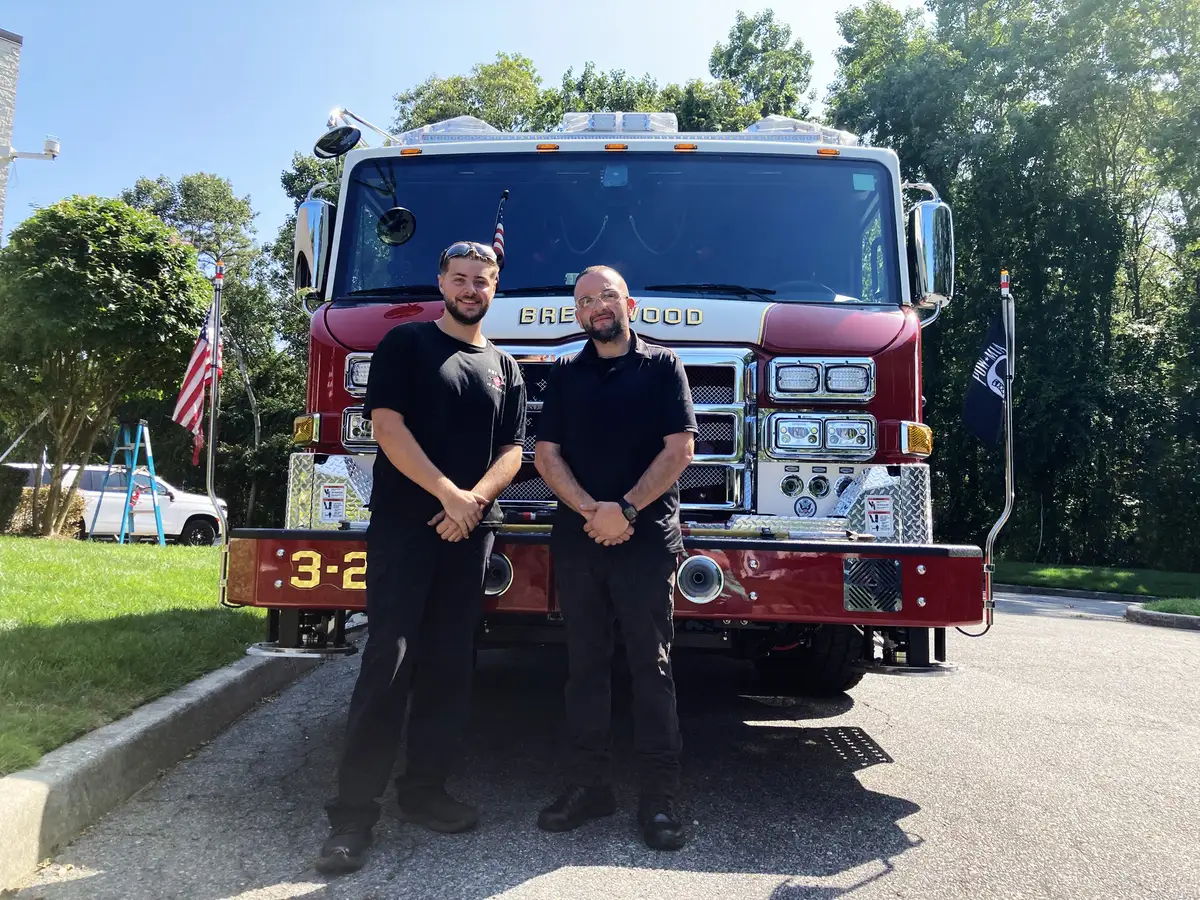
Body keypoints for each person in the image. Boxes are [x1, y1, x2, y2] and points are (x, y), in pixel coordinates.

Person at [317, 241, 526, 875]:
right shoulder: (405, 345)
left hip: (469, 535)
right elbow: (388, 428)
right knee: (390, 662)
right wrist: (449, 495)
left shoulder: (504, 367)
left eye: (482, 281)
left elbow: (515, 449)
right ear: (441, 282)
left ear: (495, 288)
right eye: (460, 279)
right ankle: (352, 816)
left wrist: (475, 503)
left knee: (449, 665)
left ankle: (425, 791)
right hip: (408, 531)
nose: (470, 290)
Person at [532, 265, 697, 851]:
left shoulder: (663, 367)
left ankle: (660, 797)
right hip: (581, 542)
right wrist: (589, 512)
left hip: (646, 539)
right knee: (585, 668)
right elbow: (546, 455)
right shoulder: (566, 374)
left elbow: (680, 449)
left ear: (629, 303)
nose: (596, 307)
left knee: (651, 668)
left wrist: (623, 510)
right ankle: (589, 786)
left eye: (606, 296)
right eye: (584, 300)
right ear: (576, 313)